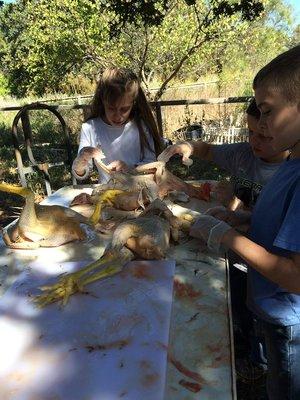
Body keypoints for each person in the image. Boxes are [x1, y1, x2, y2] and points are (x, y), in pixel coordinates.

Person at [189, 45, 300, 400]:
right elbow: (284, 226)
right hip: (270, 309)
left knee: (285, 389)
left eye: (268, 111)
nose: (260, 123)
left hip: (288, 320)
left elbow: (297, 277)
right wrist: (243, 218)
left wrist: (227, 238)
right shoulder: (291, 165)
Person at [72, 68, 163, 182]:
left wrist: (129, 169)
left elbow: (152, 165)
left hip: (139, 192)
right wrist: (81, 159)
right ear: (103, 101)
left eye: (124, 109)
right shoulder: (90, 127)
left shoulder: (141, 126)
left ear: (133, 103)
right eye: (111, 108)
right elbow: (81, 174)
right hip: (107, 194)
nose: (118, 116)